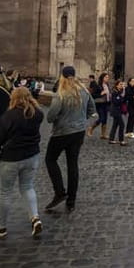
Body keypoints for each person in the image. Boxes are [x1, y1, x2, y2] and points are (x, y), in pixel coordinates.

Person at [0, 87, 44, 239]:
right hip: (31, 155)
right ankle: (35, 217)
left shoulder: (9, 116)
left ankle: (2, 226)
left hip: (11, 157)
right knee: (27, 187)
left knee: (6, 191)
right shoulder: (38, 113)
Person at [45, 66, 96, 213]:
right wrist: (81, 120)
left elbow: (50, 117)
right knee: (72, 165)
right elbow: (92, 110)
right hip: (78, 132)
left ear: (62, 76)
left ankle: (60, 191)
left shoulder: (61, 93)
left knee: (50, 159)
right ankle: (71, 200)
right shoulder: (84, 91)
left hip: (61, 132)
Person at [87, 72, 111, 139]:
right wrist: (101, 93)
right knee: (101, 118)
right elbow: (93, 95)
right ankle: (91, 128)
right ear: (102, 78)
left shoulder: (107, 85)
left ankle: (103, 135)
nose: (107, 78)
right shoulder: (97, 85)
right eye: (106, 77)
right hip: (99, 104)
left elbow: (108, 93)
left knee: (105, 119)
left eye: (108, 77)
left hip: (106, 103)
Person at [108, 80, 127, 145]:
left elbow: (122, 100)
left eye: (122, 85)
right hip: (115, 110)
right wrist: (121, 97)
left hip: (118, 110)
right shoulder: (115, 92)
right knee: (122, 125)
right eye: (120, 84)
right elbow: (116, 102)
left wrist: (122, 97)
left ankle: (111, 139)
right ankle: (121, 140)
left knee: (115, 125)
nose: (122, 86)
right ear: (117, 85)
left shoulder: (119, 92)